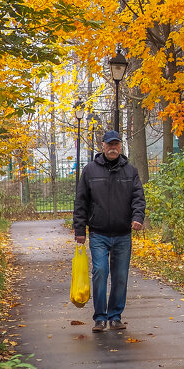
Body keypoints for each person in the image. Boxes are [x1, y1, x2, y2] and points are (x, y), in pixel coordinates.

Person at [74, 129, 145, 332]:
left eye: (116, 145)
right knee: (100, 272)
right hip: (99, 233)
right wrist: (80, 229)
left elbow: (138, 198)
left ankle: (115, 316)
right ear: (103, 146)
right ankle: (100, 317)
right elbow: (81, 202)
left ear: (120, 147)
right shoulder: (89, 171)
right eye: (109, 145)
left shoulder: (130, 171)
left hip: (123, 233)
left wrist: (137, 217)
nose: (113, 148)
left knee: (120, 275)